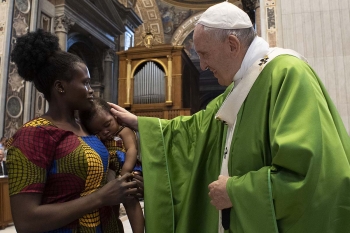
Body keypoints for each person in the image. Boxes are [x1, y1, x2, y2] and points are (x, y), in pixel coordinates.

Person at [108, 2, 350, 233]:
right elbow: (197, 128)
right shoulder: (240, 86)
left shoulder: (286, 74)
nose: (202, 66)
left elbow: (313, 174)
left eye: (204, 54)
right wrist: (141, 124)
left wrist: (235, 191)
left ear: (232, 45)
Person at [6, 29, 142, 233]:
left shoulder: (86, 128)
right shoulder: (34, 135)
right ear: (60, 87)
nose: (91, 90)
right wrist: (101, 197)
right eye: (85, 83)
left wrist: (128, 185)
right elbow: (26, 221)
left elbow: (106, 177)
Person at [79, 97, 144, 233]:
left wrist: (126, 171)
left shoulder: (124, 131)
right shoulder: (100, 139)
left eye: (107, 124)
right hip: (111, 174)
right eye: (98, 131)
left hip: (126, 170)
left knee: (131, 202)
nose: (105, 132)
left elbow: (132, 149)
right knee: (111, 206)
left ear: (115, 116)